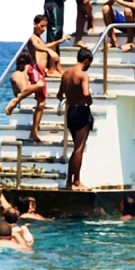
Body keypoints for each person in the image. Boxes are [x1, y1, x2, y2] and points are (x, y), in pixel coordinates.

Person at [58, 46, 95, 191]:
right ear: (86, 60)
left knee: (75, 148)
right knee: (79, 148)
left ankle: (68, 182)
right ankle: (77, 181)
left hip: (71, 111)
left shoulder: (66, 74)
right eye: (89, 63)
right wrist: (89, 100)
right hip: (81, 111)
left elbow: (59, 95)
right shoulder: (82, 76)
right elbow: (86, 93)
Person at [5, 53, 48, 143]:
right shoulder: (19, 74)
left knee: (42, 102)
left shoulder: (18, 73)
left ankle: (34, 132)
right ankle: (17, 99)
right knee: (40, 86)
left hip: (26, 94)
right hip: (24, 95)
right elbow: (24, 88)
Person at [26, 12, 65, 79]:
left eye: (45, 26)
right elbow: (36, 46)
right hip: (37, 69)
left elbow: (44, 46)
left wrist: (59, 41)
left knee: (53, 48)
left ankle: (56, 70)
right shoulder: (32, 37)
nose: (44, 29)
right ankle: (52, 71)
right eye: (42, 26)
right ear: (34, 24)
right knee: (52, 50)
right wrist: (49, 50)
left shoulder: (39, 38)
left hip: (43, 69)